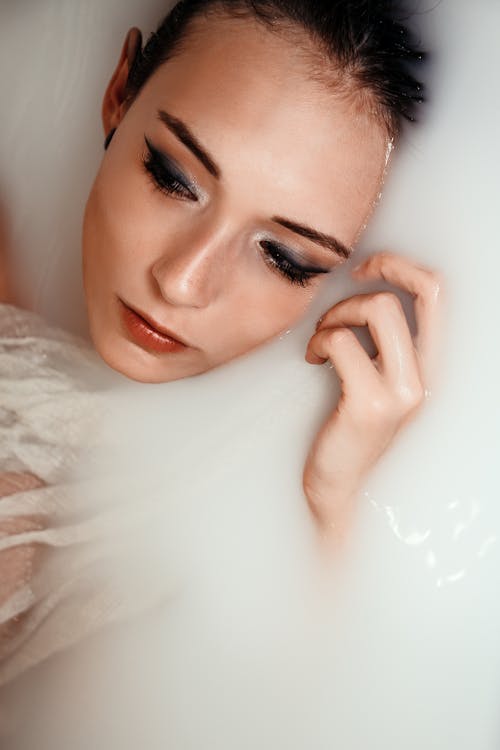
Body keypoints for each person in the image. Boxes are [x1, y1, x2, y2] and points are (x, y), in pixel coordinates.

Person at [0, 0, 442, 687]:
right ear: (119, 93)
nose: (181, 282)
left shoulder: (210, 512)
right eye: (174, 178)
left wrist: (332, 504)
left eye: (286, 258)